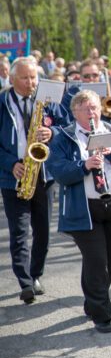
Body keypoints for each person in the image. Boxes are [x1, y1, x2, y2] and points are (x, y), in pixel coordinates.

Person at [48, 90, 111, 332]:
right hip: (85, 209)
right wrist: (84, 165)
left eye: (95, 108)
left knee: (107, 260)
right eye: (86, 109)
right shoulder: (64, 137)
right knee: (97, 260)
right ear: (75, 113)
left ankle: (92, 302)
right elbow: (58, 170)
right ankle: (102, 316)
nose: (92, 113)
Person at [0, 57, 68, 304]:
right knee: (19, 232)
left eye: (33, 78)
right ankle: (25, 282)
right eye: (25, 78)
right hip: (14, 175)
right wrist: (11, 164)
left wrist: (53, 132)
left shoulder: (47, 101)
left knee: (42, 231)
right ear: (12, 79)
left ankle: (35, 273)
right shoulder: (2, 102)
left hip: (43, 173)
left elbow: (67, 126)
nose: (30, 83)